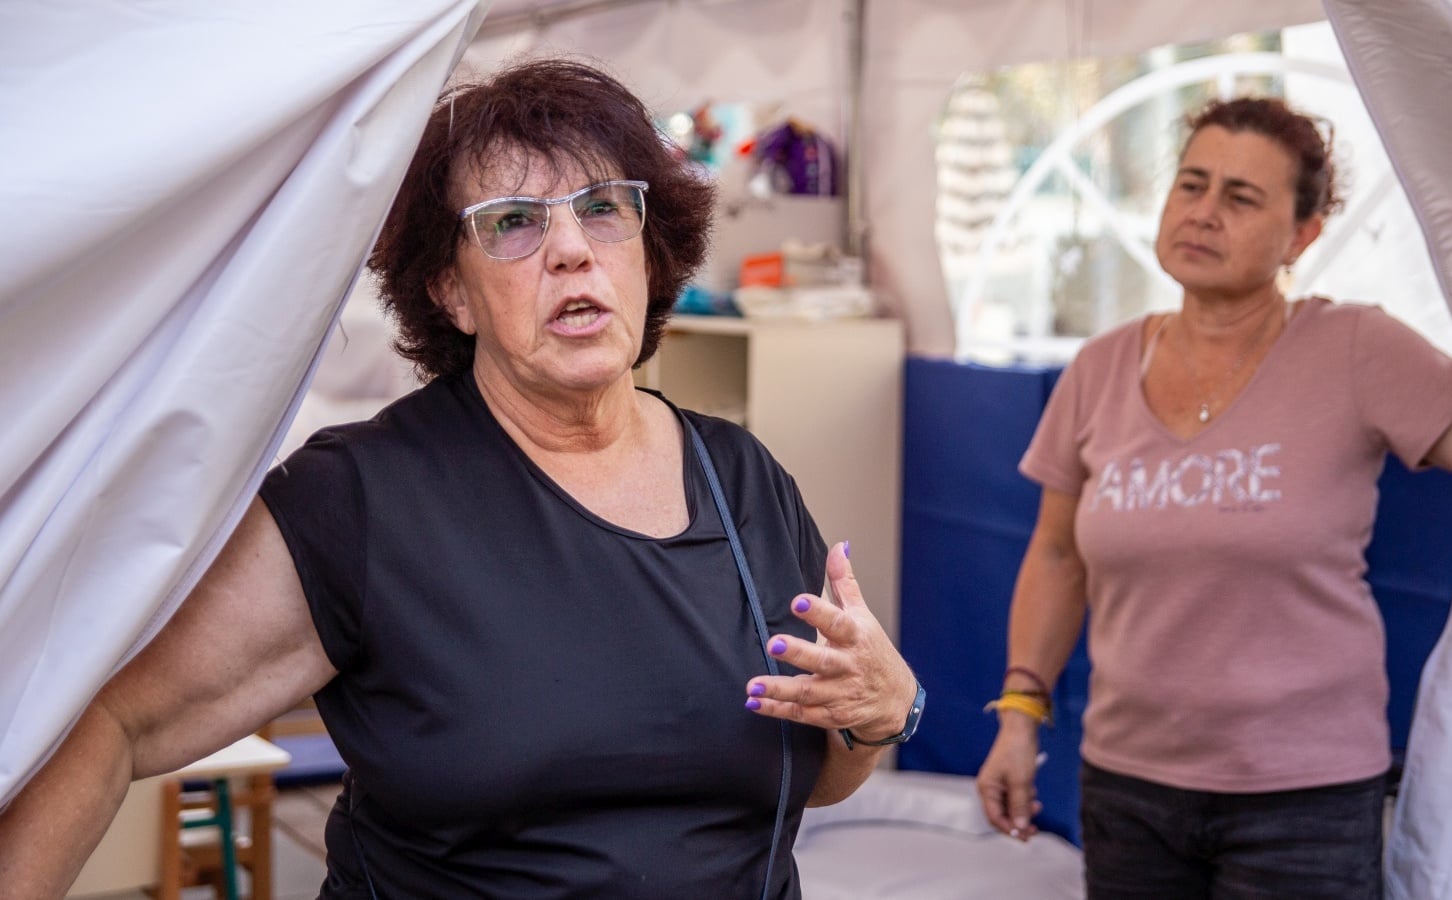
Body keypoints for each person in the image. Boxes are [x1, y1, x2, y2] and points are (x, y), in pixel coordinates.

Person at [0, 59, 922, 900]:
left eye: (604, 208)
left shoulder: (740, 476)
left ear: (650, 250)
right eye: (513, 224)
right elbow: (110, 720)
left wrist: (879, 715)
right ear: (450, 290)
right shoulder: (363, 498)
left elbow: (824, 767)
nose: (571, 249)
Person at [975, 95, 1452, 898]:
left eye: (1240, 197)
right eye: (1190, 185)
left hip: (1303, 803)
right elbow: (1057, 556)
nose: (1202, 213)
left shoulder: (1356, 347)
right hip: (1129, 788)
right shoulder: (1098, 368)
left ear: (1302, 234)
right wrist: (1020, 716)